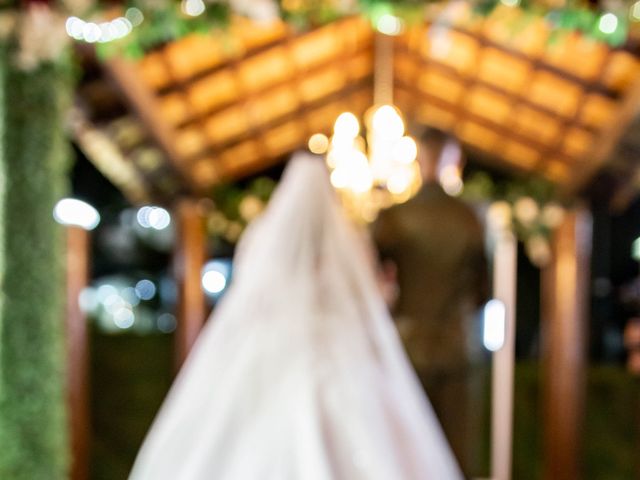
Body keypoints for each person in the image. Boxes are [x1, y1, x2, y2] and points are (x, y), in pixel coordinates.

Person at [129, 152, 462, 479]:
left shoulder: (264, 237)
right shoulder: (349, 239)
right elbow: (368, 299)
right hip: (337, 350)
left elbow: (248, 296)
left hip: (278, 345)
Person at [373, 129, 489, 477]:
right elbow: (485, 290)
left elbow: (374, 287)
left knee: (406, 451)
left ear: (419, 159)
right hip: (458, 345)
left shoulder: (392, 218)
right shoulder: (471, 218)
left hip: (407, 348)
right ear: (453, 160)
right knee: (457, 452)